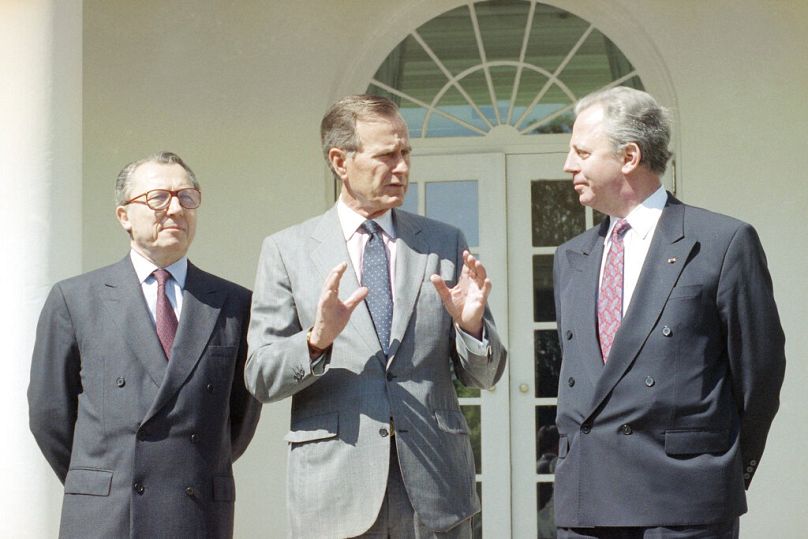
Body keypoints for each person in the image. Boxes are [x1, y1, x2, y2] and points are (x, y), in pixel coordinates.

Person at [245, 95, 507, 538]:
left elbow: (485, 375)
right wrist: (316, 340)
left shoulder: (443, 242)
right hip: (335, 494)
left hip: (435, 491)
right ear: (339, 161)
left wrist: (470, 327)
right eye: (387, 155)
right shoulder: (287, 251)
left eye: (406, 153)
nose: (402, 167)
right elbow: (261, 376)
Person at [552, 86, 786, 538]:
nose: (568, 165)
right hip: (586, 504)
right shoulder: (570, 257)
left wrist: (721, 470)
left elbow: (760, 373)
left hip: (685, 504)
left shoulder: (721, 242)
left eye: (581, 151)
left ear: (629, 156)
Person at [28, 151, 261, 538]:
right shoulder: (76, 299)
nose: (175, 209)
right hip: (108, 515)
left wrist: (183, 466)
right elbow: (49, 414)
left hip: (196, 510)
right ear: (124, 216)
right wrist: (103, 474)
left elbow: (240, 418)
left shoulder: (233, 303)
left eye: (187, 197)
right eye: (158, 198)